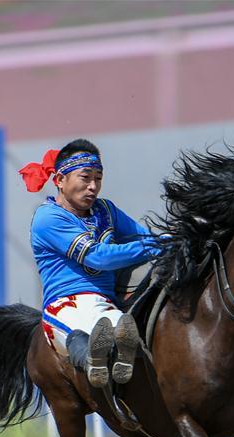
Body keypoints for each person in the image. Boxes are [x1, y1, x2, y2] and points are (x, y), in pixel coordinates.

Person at [19, 139, 159, 389]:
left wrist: (171, 239)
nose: (93, 187)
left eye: (98, 178)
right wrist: (158, 245)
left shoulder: (106, 209)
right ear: (60, 180)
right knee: (79, 337)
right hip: (63, 306)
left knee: (120, 327)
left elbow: (144, 237)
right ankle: (92, 361)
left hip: (104, 304)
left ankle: (117, 362)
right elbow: (98, 257)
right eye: (85, 177)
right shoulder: (48, 217)